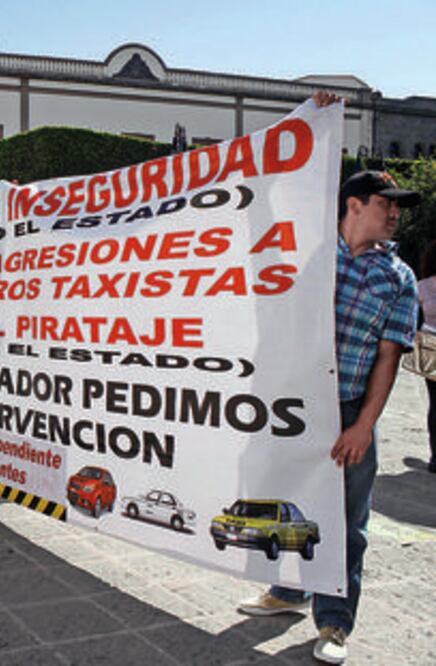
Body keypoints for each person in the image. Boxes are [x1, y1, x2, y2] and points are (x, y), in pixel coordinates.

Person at [238, 92, 419, 666]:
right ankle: (288, 590)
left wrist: (364, 426)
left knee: (347, 525)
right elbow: (258, 209)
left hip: (345, 412)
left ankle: (335, 624)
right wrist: (302, 118)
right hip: (292, 404)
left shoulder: (400, 277)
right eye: (385, 203)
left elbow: (389, 358)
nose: (395, 213)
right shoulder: (309, 251)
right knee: (284, 503)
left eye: (398, 207)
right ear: (353, 204)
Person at [417, 240, 436, 473]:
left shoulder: (421, 286)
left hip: (429, 345)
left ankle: (435, 457)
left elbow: (414, 319)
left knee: (435, 404)